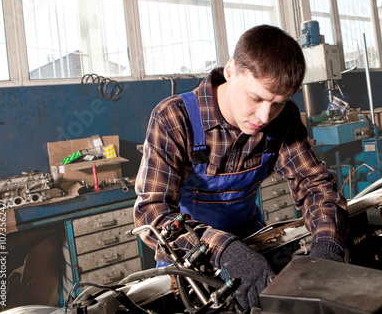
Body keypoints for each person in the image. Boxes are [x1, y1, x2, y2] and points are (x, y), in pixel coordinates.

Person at [134, 24, 348, 310]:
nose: (264, 116)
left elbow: (315, 185)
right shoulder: (173, 118)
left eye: (278, 104)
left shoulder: (283, 120)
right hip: (186, 258)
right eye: (256, 98)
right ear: (231, 70)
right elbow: (152, 214)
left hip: (253, 243)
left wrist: (327, 245)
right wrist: (224, 251)